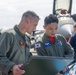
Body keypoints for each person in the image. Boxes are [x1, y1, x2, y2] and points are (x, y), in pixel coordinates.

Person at [0, 10, 40, 75]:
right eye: (34, 25)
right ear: (27, 21)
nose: (35, 28)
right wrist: (12, 67)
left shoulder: (26, 38)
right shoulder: (9, 35)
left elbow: (26, 57)